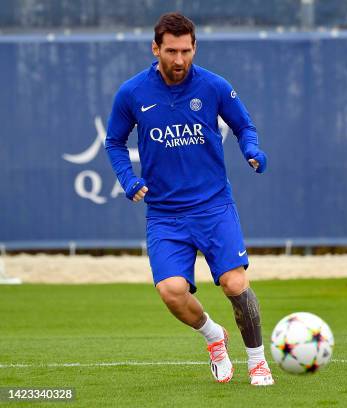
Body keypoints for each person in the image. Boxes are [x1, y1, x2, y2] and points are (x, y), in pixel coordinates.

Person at [105, 12, 274, 386]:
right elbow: (114, 141)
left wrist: (252, 149)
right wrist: (128, 179)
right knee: (171, 291)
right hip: (165, 214)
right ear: (156, 48)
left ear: (194, 47)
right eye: (170, 51)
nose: (179, 60)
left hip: (214, 206)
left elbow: (244, 125)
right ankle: (214, 337)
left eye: (185, 51)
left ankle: (258, 361)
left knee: (234, 283)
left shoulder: (214, 86)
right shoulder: (132, 93)